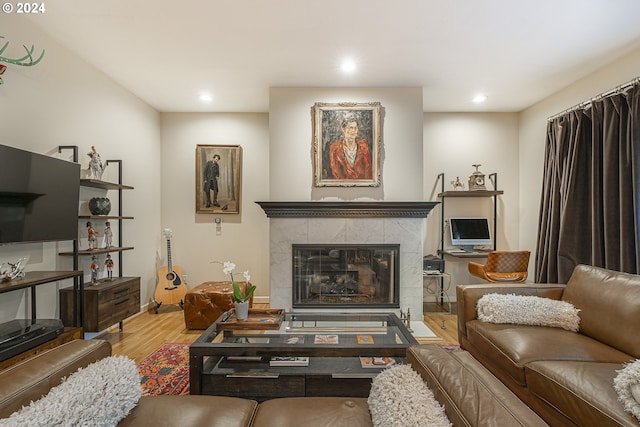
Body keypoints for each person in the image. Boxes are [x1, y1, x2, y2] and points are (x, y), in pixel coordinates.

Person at [329, 115, 372, 180]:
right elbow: (336, 173)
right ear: (343, 129)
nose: (353, 131)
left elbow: (368, 171)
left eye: (355, 128)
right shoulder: (335, 148)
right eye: (350, 128)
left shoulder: (364, 146)